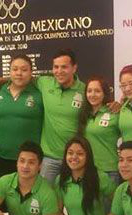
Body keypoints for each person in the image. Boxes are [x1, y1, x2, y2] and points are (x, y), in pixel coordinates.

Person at [36, 49, 86, 183]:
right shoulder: (44, 83)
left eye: (64, 67)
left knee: (73, 194)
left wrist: (116, 104)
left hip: (75, 158)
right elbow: (21, 78)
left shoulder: (85, 90)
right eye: (56, 67)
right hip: (49, 158)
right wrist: (0, 81)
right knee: (46, 194)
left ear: (74, 68)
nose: (59, 71)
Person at [0, 54, 44, 180]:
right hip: (2, 157)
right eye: (15, 69)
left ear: (31, 72)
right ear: (9, 71)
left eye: (24, 70)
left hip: (30, 161)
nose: (19, 73)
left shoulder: (40, 93)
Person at [78, 76, 120, 183]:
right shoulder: (84, 114)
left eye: (97, 91)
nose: (92, 95)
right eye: (89, 91)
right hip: (88, 170)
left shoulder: (114, 113)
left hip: (109, 170)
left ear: (105, 93)